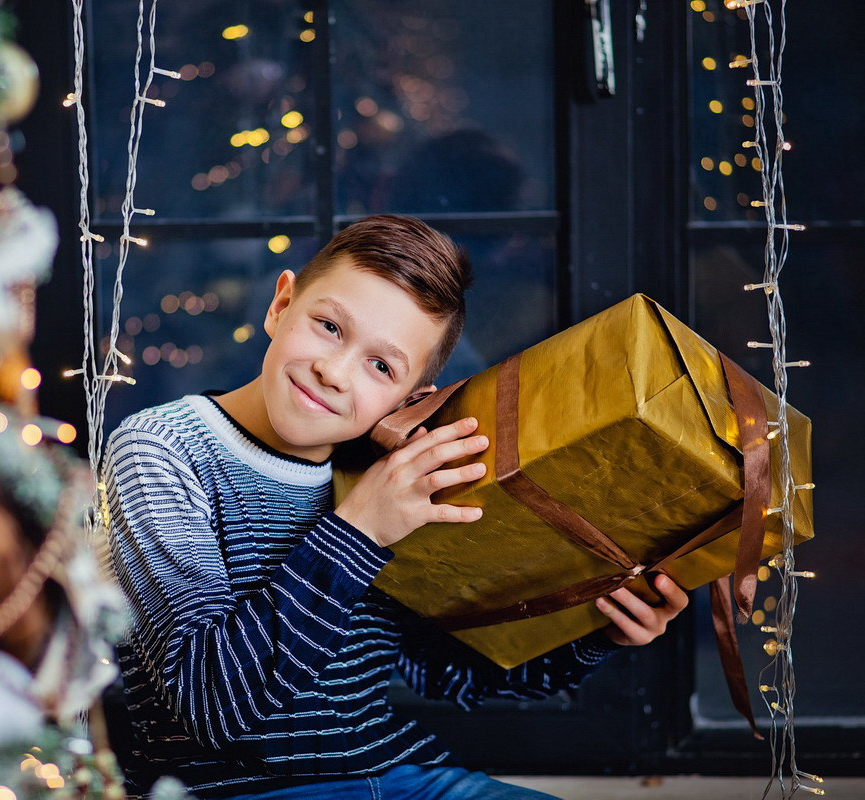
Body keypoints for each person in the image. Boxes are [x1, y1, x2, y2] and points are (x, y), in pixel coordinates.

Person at [103, 215, 688, 800]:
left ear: (409, 399)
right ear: (281, 304)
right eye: (329, 326)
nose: (332, 372)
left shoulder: (386, 473)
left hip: (397, 776)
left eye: (381, 366)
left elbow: (450, 674)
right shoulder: (162, 448)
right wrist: (358, 530)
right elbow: (212, 708)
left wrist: (596, 632)